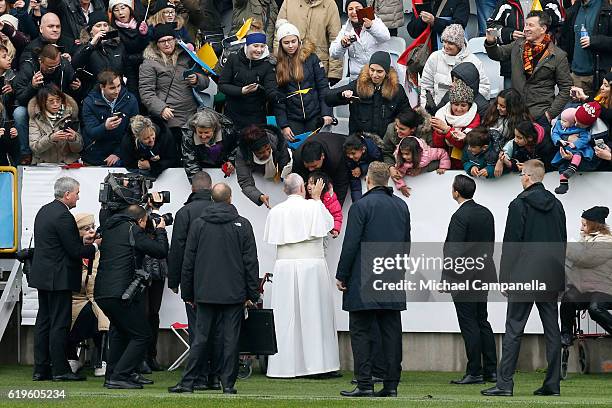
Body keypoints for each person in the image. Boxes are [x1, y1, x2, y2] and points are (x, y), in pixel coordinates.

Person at [482, 159, 566, 397]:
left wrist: (505, 277)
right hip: (550, 274)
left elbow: (512, 245)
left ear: (528, 177)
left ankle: (504, 383)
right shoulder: (557, 205)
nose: (521, 179)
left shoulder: (519, 204)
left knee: (513, 329)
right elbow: (562, 242)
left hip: (524, 275)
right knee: (552, 331)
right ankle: (552, 385)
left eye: (521, 175)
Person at [169, 183, 259, 394]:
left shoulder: (199, 225)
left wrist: (188, 293)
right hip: (234, 292)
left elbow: (188, 261)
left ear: (212, 199)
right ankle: (227, 384)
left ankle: (188, 382)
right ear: (230, 199)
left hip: (205, 292)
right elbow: (250, 261)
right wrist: (252, 292)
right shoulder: (242, 225)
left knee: (200, 338)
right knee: (230, 339)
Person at [336, 162, 410, 398]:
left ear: (368, 179)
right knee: (391, 332)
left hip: (363, 274)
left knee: (361, 331)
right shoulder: (401, 206)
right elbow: (406, 244)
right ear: (387, 179)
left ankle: (365, 383)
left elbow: (351, 244)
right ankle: (391, 385)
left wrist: (342, 274)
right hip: (391, 275)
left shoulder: (361, 206)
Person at [263, 173, 339, 378]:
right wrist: (316, 199)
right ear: (302, 189)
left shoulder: (276, 211)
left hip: (285, 268)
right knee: (315, 314)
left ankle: (285, 366)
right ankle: (318, 366)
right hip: (311, 265)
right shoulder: (313, 206)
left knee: (286, 316)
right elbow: (329, 225)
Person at [30, 177, 98, 382]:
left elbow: (58, 243)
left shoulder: (44, 211)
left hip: (44, 276)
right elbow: (74, 251)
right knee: (59, 324)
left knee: (43, 322)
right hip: (58, 278)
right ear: (67, 194)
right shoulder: (64, 216)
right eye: (77, 193)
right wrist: (94, 247)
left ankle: (41, 369)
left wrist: (81, 240)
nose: (78, 196)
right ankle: (60, 370)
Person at [95, 204, 169, 389]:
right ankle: (120, 375)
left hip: (103, 292)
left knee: (119, 332)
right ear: (140, 220)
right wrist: (160, 230)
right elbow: (160, 251)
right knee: (142, 335)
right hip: (121, 293)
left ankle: (112, 375)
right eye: (145, 222)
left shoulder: (110, 229)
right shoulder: (133, 230)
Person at [167, 171, 221, 388]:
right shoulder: (221, 211)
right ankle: (216, 377)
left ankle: (198, 376)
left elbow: (178, 249)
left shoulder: (185, 213)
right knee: (217, 330)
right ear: (211, 188)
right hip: (220, 279)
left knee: (198, 329)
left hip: (196, 281)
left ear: (192, 189)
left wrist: (174, 279)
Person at [443, 175, 497, 385]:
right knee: (482, 320)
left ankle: (474, 370)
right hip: (482, 272)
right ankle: (491, 370)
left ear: (457, 191)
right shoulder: (486, 213)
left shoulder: (460, 216)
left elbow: (454, 250)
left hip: (463, 277)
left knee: (469, 323)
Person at [485, 10, 573, 131]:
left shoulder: (558, 55)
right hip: (516, 112)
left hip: (540, 114)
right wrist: (491, 42)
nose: (525, 28)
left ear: (543, 29)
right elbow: (498, 54)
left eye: (530, 25)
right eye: (525, 25)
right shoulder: (518, 44)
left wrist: (550, 113)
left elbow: (566, 87)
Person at [139, 23, 210, 156]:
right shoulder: (149, 64)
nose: (167, 44)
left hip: (192, 114)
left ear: (175, 39)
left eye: (170, 40)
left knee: (194, 153)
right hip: (169, 116)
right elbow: (146, 92)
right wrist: (161, 109)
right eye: (162, 41)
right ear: (156, 44)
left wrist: (197, 79)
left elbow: (205, 81)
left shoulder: (186, 56)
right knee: (174, 153)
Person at [14, 43, 80, 165]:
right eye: (49, 67)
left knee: (74, 108)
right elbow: (20, 98)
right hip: (34, 106)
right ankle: (25, 153)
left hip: (59, 105)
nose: (53, 69)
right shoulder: (28, 67)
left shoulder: (64, 64)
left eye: (56, 65)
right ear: (40, 61)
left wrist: (77, 86)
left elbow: (72, 84)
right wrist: (32, 86)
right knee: (19, 113)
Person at [326, 51, 410, 138]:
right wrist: (341, 95)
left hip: (385, 143)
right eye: (372, 70)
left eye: (379, 71)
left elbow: (407, 114)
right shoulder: (358, 85)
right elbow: (328, 98)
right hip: (359, 142)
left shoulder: (397, 90)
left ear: (387, 72)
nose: (374, 75)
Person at [560, 206, 612, 345]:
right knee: (567, 298)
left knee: (595, 308)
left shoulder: (606, 241)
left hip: (605, 288)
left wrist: (566, 249)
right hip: (589, 287)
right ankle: (566, 335)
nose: (581, 228)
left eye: (584, 224)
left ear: (594, 225)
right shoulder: (586, 240)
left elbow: (586, 259)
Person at [274, 20, 333, 141]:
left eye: (293, 41)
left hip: (314, 114)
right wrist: (283, 125)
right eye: (286, 43)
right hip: (293, 118)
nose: (290, 46)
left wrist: (327, 113)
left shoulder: (311, 58)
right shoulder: (277, 64)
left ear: (299, 40)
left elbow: (323, 87)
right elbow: (278, 98)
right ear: (281, 44)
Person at [67, 213, 109, 378]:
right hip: (75, 299)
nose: (91, 232)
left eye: (92, 227)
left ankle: (101, 360)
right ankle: (72, 357)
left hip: (96, 298)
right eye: (86, 229)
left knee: (102, 316)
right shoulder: (73, 250)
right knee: (69, 316)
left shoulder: (100, 250)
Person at [218, 26, 278, 131]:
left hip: (256, 118)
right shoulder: (233, 59)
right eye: (255, 46)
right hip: (233, 115)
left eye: (262, 46)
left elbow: (270, 88)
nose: (259, 50)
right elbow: (222, 85)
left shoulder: (268, 64)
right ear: (247, 44)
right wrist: (241, 91)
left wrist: (275, 95)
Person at [420, 25, 490, 113]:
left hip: (464, 113)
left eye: (451, 43)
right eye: (444, 41)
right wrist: (426, 111)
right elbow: (426, 86)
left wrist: (463, 99)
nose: (446, 46)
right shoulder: (435, 57)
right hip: (438, 111)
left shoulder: (473, 61)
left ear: (459, 44)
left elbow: (484, 88)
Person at [81, 70, 139, 167]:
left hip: (121, 156)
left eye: (119, 86)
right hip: (95, 156)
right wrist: (105, 127)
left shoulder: (130, 100)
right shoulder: (89, 102)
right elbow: (91, 131)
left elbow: (133, 131)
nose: (117, 91)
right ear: (102, 87)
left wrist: (118, 153)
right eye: (112, 88)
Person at [276, 0, 342, 83]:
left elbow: (335, 39)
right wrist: (279, 61)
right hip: (290, 64)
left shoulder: (329, 3)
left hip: (319, 65)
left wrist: (334, 72)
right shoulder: (289, 2)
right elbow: (278, 33)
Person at [559, 0, 612, 97]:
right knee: (579, 111)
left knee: (600, 111)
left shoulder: (607, 9)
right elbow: (564, 41)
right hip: (576, 77)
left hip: (602, 78)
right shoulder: (573, 11)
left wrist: (594, 41)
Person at [329, 0, 391, 79]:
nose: (354, 12)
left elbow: (385, 37)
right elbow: (333, 54)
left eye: (358, 9)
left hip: (379, 74)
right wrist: (342, 44)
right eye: (350, 9)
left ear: (364, 10)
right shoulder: (346, 29)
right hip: (358, 76)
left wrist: (371, 27)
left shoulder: (374, 21)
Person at [71, 11, 128, 94]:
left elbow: (127, 68)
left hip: (118, 92)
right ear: (90, 31)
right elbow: (76, 64)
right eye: (98, 26)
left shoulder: (118, 46)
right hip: (95, 94)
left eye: (105, 25)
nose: (102, 28)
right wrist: (91, 45)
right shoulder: (84, 47)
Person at [235, 124, 291, 207]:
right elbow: (245, 182)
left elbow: (286, 167)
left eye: (268, 149)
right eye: (260, 152)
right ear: (252, 151)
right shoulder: (242, 154)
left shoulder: (278, 142)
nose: (267, 154)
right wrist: (259, 196)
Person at [431, 79, 481, 169]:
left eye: (463, 105)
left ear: (469, 106)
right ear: (451, 104)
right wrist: (439, 132)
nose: (458, 109)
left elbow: (465, 144)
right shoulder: (441, 115)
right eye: (456, 104)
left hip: (466, 163)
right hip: (445, 162)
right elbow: (438, 145)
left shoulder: (474, 118)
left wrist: (447, 130)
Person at [28, 85, 82, 165]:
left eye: (58, 100)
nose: (56, 104)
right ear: (43, 102)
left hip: (67, 164)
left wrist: (74, 139)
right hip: (43, 164)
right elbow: (34, 147)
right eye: (51, 101)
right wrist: (51, 139)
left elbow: (78, 149)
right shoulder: (35, 118)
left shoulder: (70, 115)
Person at [551, 103, 598, 194]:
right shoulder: (558, 124)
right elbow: (555, 134)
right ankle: (563, 184)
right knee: (562, 165)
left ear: (573, 122)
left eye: (565, 121)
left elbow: (585, 138)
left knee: (578, 153)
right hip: (564, 149)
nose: (562, 122)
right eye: (561, 119)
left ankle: (573, 168)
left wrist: (575, 145)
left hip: (579, 148)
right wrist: (559, 140)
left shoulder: (579, 128)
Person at [292, 131, 350, 205]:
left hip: (336, 146)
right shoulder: (297, 157)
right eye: (307, 166)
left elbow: (341, 185)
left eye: (314, 166)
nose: (310, 169)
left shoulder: (337, 158)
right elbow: (297, 183)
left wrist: (335, 209)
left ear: (322, 156)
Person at [109, 0, 149, 98]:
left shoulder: (141, 23)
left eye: (123, 8)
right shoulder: (113, 31)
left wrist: (144, 35)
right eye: (116, 10)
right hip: (128, 69)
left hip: (146, 64)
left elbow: (149, 46)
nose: (120, 13)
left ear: (130, 9)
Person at [182, 108, 236, 181]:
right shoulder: (188, 137)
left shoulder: (227, 131)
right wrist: (199, 183)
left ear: (214, 128)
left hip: (224, 171)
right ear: (195, 128)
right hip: (202, 169)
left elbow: (236, 147)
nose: (203, 136)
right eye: (200, 132)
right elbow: (190, 163)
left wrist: (231, 161)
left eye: (206, 132)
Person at [343, 132, 383, 202]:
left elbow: (379, 164)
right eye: (348, 154)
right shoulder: (349, 158)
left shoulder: (374, 151)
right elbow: (355, 183)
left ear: (363, 149)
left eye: (353, 153)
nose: (351, 156)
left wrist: (362, 169)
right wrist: (357, 204)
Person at [306, 171, 342, 237]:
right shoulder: (305, 198)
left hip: (322, 233)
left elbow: (337, 215)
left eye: (312, 183)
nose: (308, 186)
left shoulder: (330, 199)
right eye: (308, 183)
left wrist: (335, 229)